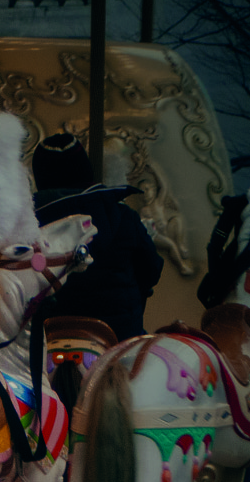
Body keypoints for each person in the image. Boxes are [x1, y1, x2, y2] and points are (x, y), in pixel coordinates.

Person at [30, 131, 162, 342]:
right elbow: (152, 269)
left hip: (48, 335)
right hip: (118, 336)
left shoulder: (27, 223)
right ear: (85, 170)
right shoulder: (123, 215)